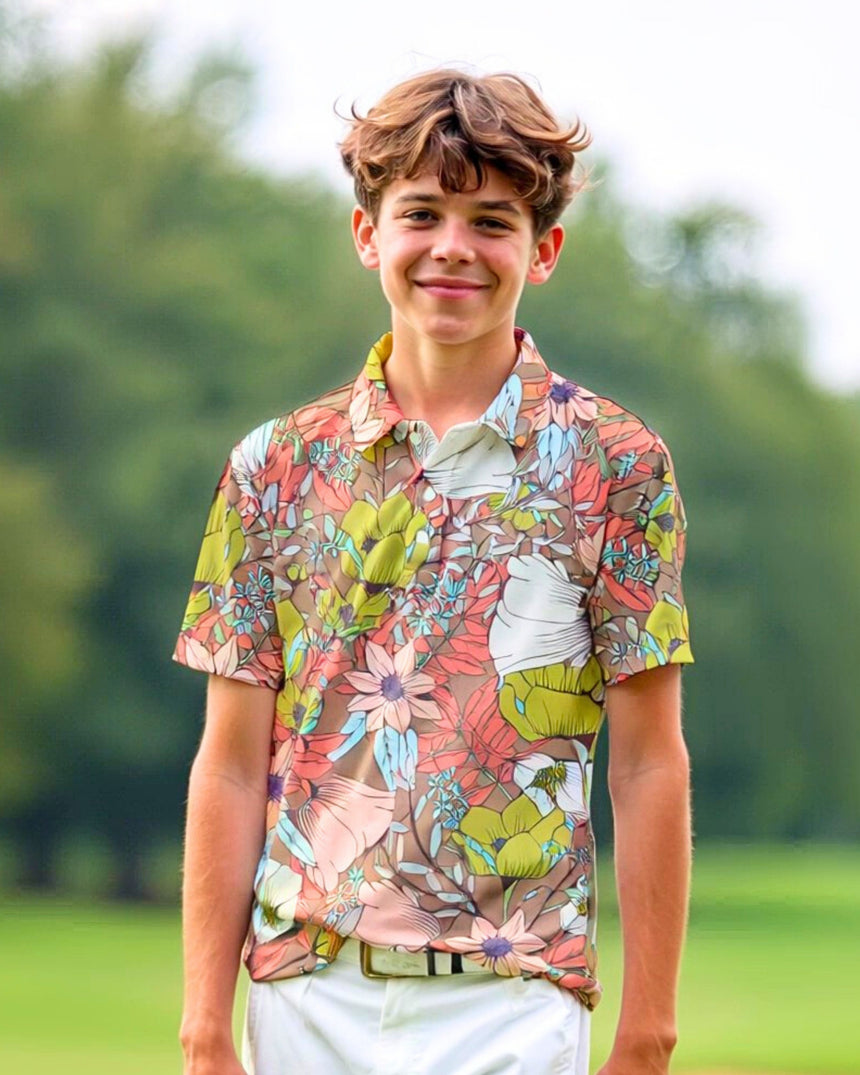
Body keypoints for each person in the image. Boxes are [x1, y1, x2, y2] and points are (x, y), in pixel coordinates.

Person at [174, 69, 694, 1075]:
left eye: (490, 220)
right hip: (303, 995)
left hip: (514, 1000)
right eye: (421, 213)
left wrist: (648, 1028)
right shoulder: (272, 466)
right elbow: (232, 761)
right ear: (368, 234)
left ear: (540, 250)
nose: (452, 246)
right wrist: (204, 1024)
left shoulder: (617, 465)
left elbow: (645, 761)